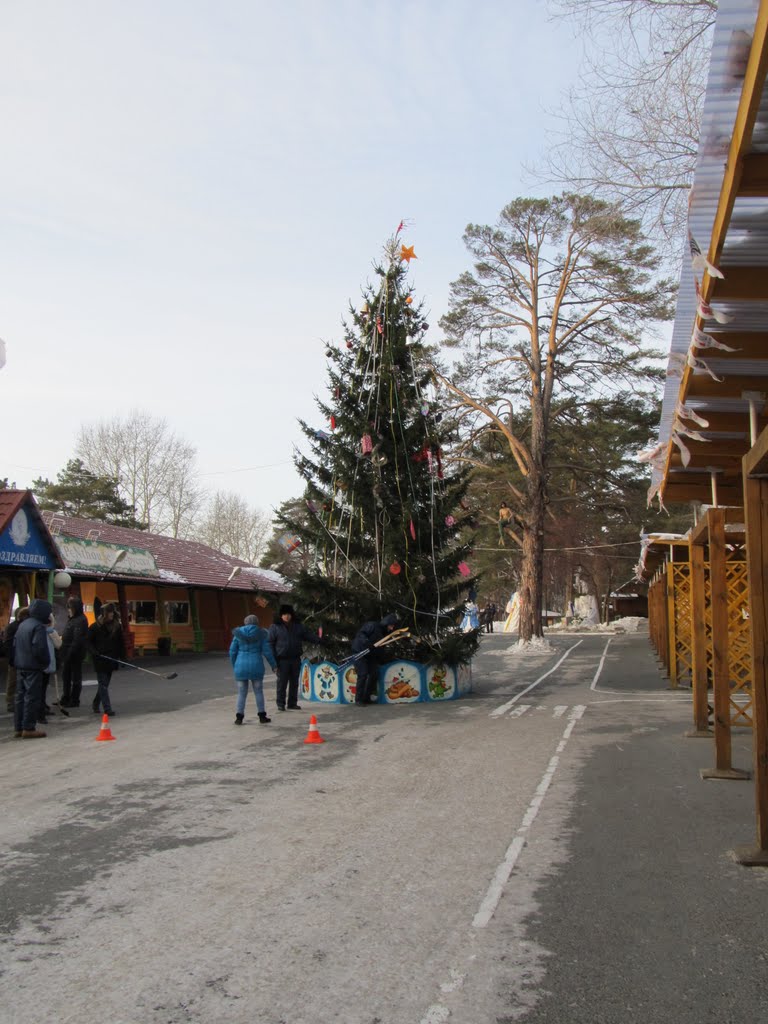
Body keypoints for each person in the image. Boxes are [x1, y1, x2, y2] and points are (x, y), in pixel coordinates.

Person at [267, 604, 322, 711]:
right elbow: (270, 644)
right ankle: (280, 703)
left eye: (288, 614)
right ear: (281, 615)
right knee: (282, 683)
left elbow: (307, 635)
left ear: (291, 615)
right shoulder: (275, 627)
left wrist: (318, 640)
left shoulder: (297, 626)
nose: (286, 616)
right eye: (284, 614)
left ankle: (292, 703)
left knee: (294, 682)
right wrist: (274, 661)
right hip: (282, 659)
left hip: (295, 658)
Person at [12, 599, 52, 739]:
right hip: (33, 666)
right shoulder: (38, 627)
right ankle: (28, 727)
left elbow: (15, 644)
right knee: (32, 697)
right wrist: (45, 662)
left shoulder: (22, 624)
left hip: (20, 664)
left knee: (20, 697)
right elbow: (39, 648)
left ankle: (18, 727)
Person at [229, 614, 277, 726]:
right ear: (256, 623)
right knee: (258, 691)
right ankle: (262, 716)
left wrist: (235, 664)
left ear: (245, 622)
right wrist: (274, 665)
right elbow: (267, 652)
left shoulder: (238, 634)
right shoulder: (261, 634)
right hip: (256, 665)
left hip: (240, 666)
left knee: (242, 693)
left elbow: (232, 652)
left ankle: (239, 717)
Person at [350, 613, 398, 705]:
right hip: (359, 652)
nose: (391, 628)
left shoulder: (384, 634)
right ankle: (359, 700)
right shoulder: (372, 625)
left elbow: (380, 647)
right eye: (391, 626)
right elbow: (361, 634)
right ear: (386, 623)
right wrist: (367, 643)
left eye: (393, 627)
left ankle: (366, 697)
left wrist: (380, 654)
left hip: (371, 655)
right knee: (363, 674)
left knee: (374, 674)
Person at [87, 603, 125, 716]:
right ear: (104, 614)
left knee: (104, 684)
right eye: (109, 612)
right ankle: (107, 708)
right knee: (103, 684)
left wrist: (123, 657)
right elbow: (87, 642)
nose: (111, 614)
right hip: (100, 659)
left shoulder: (117, 627)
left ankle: (95, 702)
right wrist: (93, 651)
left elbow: (120, 643)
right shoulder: (94, 627)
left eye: (112, 612)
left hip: (111, 659)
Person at [60, 598, 89, 707]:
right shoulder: (73, 619)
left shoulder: (80, 620)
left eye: (70, 607)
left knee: (75, 677)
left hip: (75, 653)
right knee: (66, 676)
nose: (68, 610)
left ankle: (74, 699)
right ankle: (66, 697)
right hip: (68, 651)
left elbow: (77, 639)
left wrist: (70, 652)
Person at [3, 606, 29, 713]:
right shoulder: (16, 627)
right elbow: (9, 644)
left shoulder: (13, 626)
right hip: (17, 657)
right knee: (14, 681)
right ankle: (11, 702)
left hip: (17, 657)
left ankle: (12, 701)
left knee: (13, 681)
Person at [39, 614, 62, 725]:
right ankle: (41, 709)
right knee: (42, 688)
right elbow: (59, 644)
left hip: (40, 664)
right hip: (48, 663)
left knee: (40, 688)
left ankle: (42, 707)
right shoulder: (51, 632)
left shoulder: (38, 631)